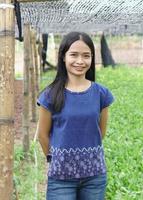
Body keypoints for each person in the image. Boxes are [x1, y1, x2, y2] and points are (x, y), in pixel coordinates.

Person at [36, 32, 114, 200]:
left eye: (86, 56)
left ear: (92, 59)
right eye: (74, 55)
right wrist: (57, 160)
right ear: (63, 57)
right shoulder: (50, 95)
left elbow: (100, 132)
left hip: (94, 176)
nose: (80, 61)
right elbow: (42, 135)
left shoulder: (101, 94)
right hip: (61, 178)